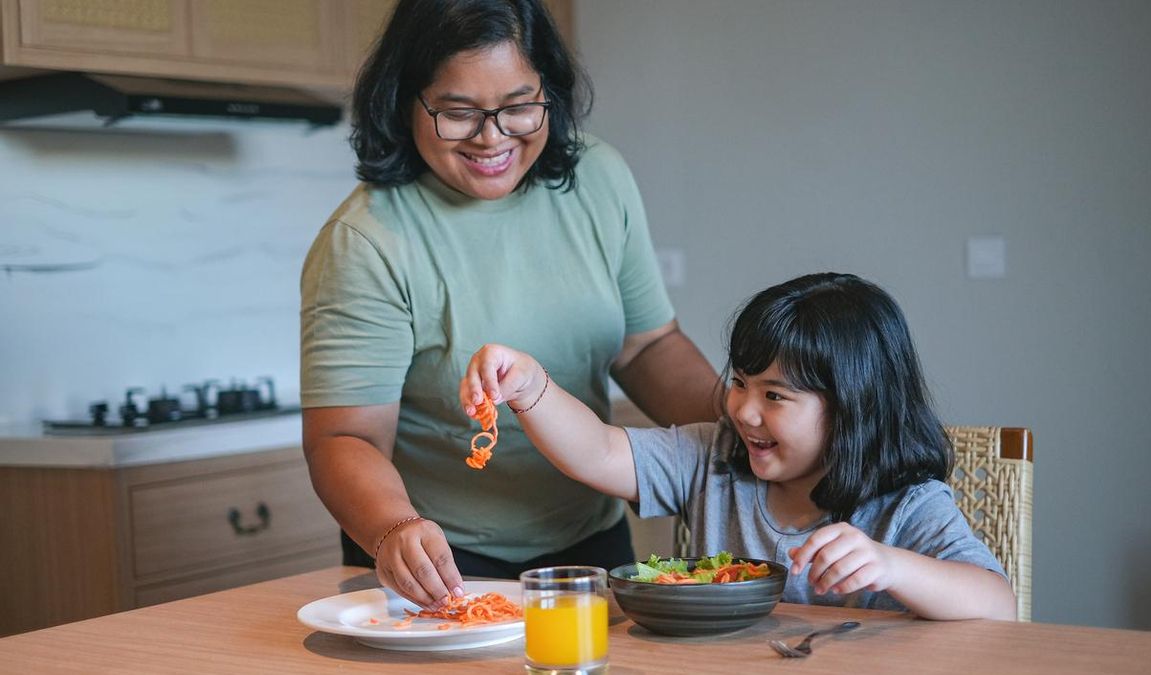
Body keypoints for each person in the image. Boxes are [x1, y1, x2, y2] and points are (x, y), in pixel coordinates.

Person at [299, 0, 720, 612]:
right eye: (458, 112)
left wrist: (744, 434)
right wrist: (394, 530)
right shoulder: (367, 240)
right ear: (405, 100)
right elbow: (345, 437)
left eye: (520, 106)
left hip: (589, 541)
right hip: (440, 561)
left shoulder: (597, 179)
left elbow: (647, 344)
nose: (492, 137)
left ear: (548, 89)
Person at [459, 272, 1018, 620]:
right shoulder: (713, 459)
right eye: (741, 383)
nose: (743, 410)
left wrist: (891, 566)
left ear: (852, 407)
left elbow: (997, 604)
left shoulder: (906, 504)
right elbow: (598, 453)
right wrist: (531, 388)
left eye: (775, 395)